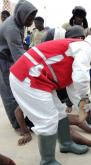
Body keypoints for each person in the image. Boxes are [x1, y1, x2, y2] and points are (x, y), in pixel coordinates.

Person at [9, 35, 91, 164]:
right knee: (48, 120)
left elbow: (73, 88)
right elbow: (81, 78)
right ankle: (47, 160)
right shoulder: (86, 48)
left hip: (40, 79)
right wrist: (86, 101)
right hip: (28, 77)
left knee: (61, 112)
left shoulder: (79, 53)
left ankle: (66, 143)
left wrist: (83, 106)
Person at [0, 0, 37, 130]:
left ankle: (21, 118)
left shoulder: (19, 22)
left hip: (8, 56)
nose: (31, 22)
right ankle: (17, 124)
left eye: (32, 18)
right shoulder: (11, 29)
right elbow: (20, 58)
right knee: (9, 92)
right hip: (3, 61)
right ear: (22, 14)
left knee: (17, 88)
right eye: (29, 18)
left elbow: (20, 49)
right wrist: (37, 72)